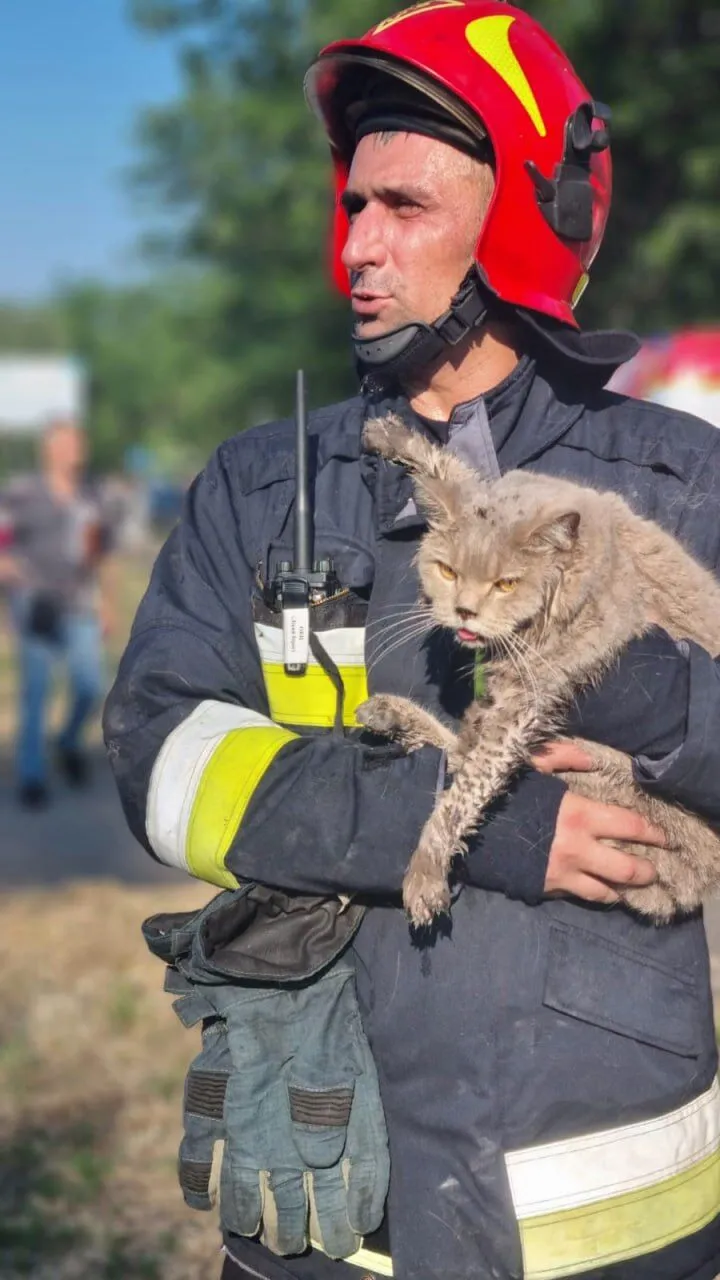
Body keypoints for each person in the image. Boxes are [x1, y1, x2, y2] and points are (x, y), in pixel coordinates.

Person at [105, 4, 720, 1278]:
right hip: (328, 1194)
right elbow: (163, 758)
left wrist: (648, 693)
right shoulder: (263, 487)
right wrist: (482, 826)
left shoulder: (684, 482)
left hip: (609, 1225)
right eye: (350, 209)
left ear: (518, 230)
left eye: (402, 208)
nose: (355, 249)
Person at [0, 415, 116, 807]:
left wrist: (106, 603)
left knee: (90, 685)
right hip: (36, 602)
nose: (76, 450)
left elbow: (100, 551)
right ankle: (32, 776)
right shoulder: (23, 492)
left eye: (79, 443)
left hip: (80, 601)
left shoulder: (91, 493)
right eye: (68, 443)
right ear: (49, 449)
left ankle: (68, 741)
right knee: (36, 690)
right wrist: (11, 572)